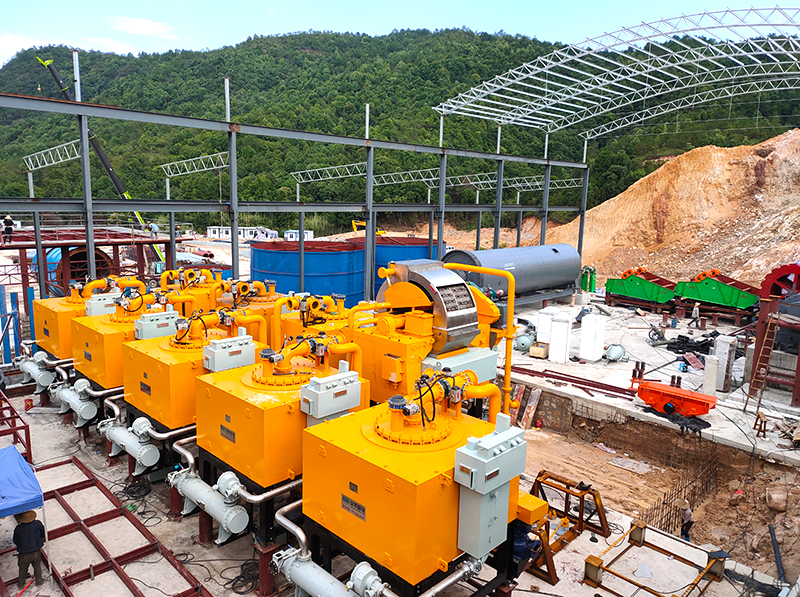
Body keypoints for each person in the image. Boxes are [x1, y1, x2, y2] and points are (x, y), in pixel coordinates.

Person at [13, 510, 45, 588]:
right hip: (36, 550)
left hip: (24, 553)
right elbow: (43, 533)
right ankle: (39, 581)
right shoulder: (37, 523)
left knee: (23, 569)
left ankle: (21, 584)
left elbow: (15, 540)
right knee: (37, 566)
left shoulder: (18, 528)